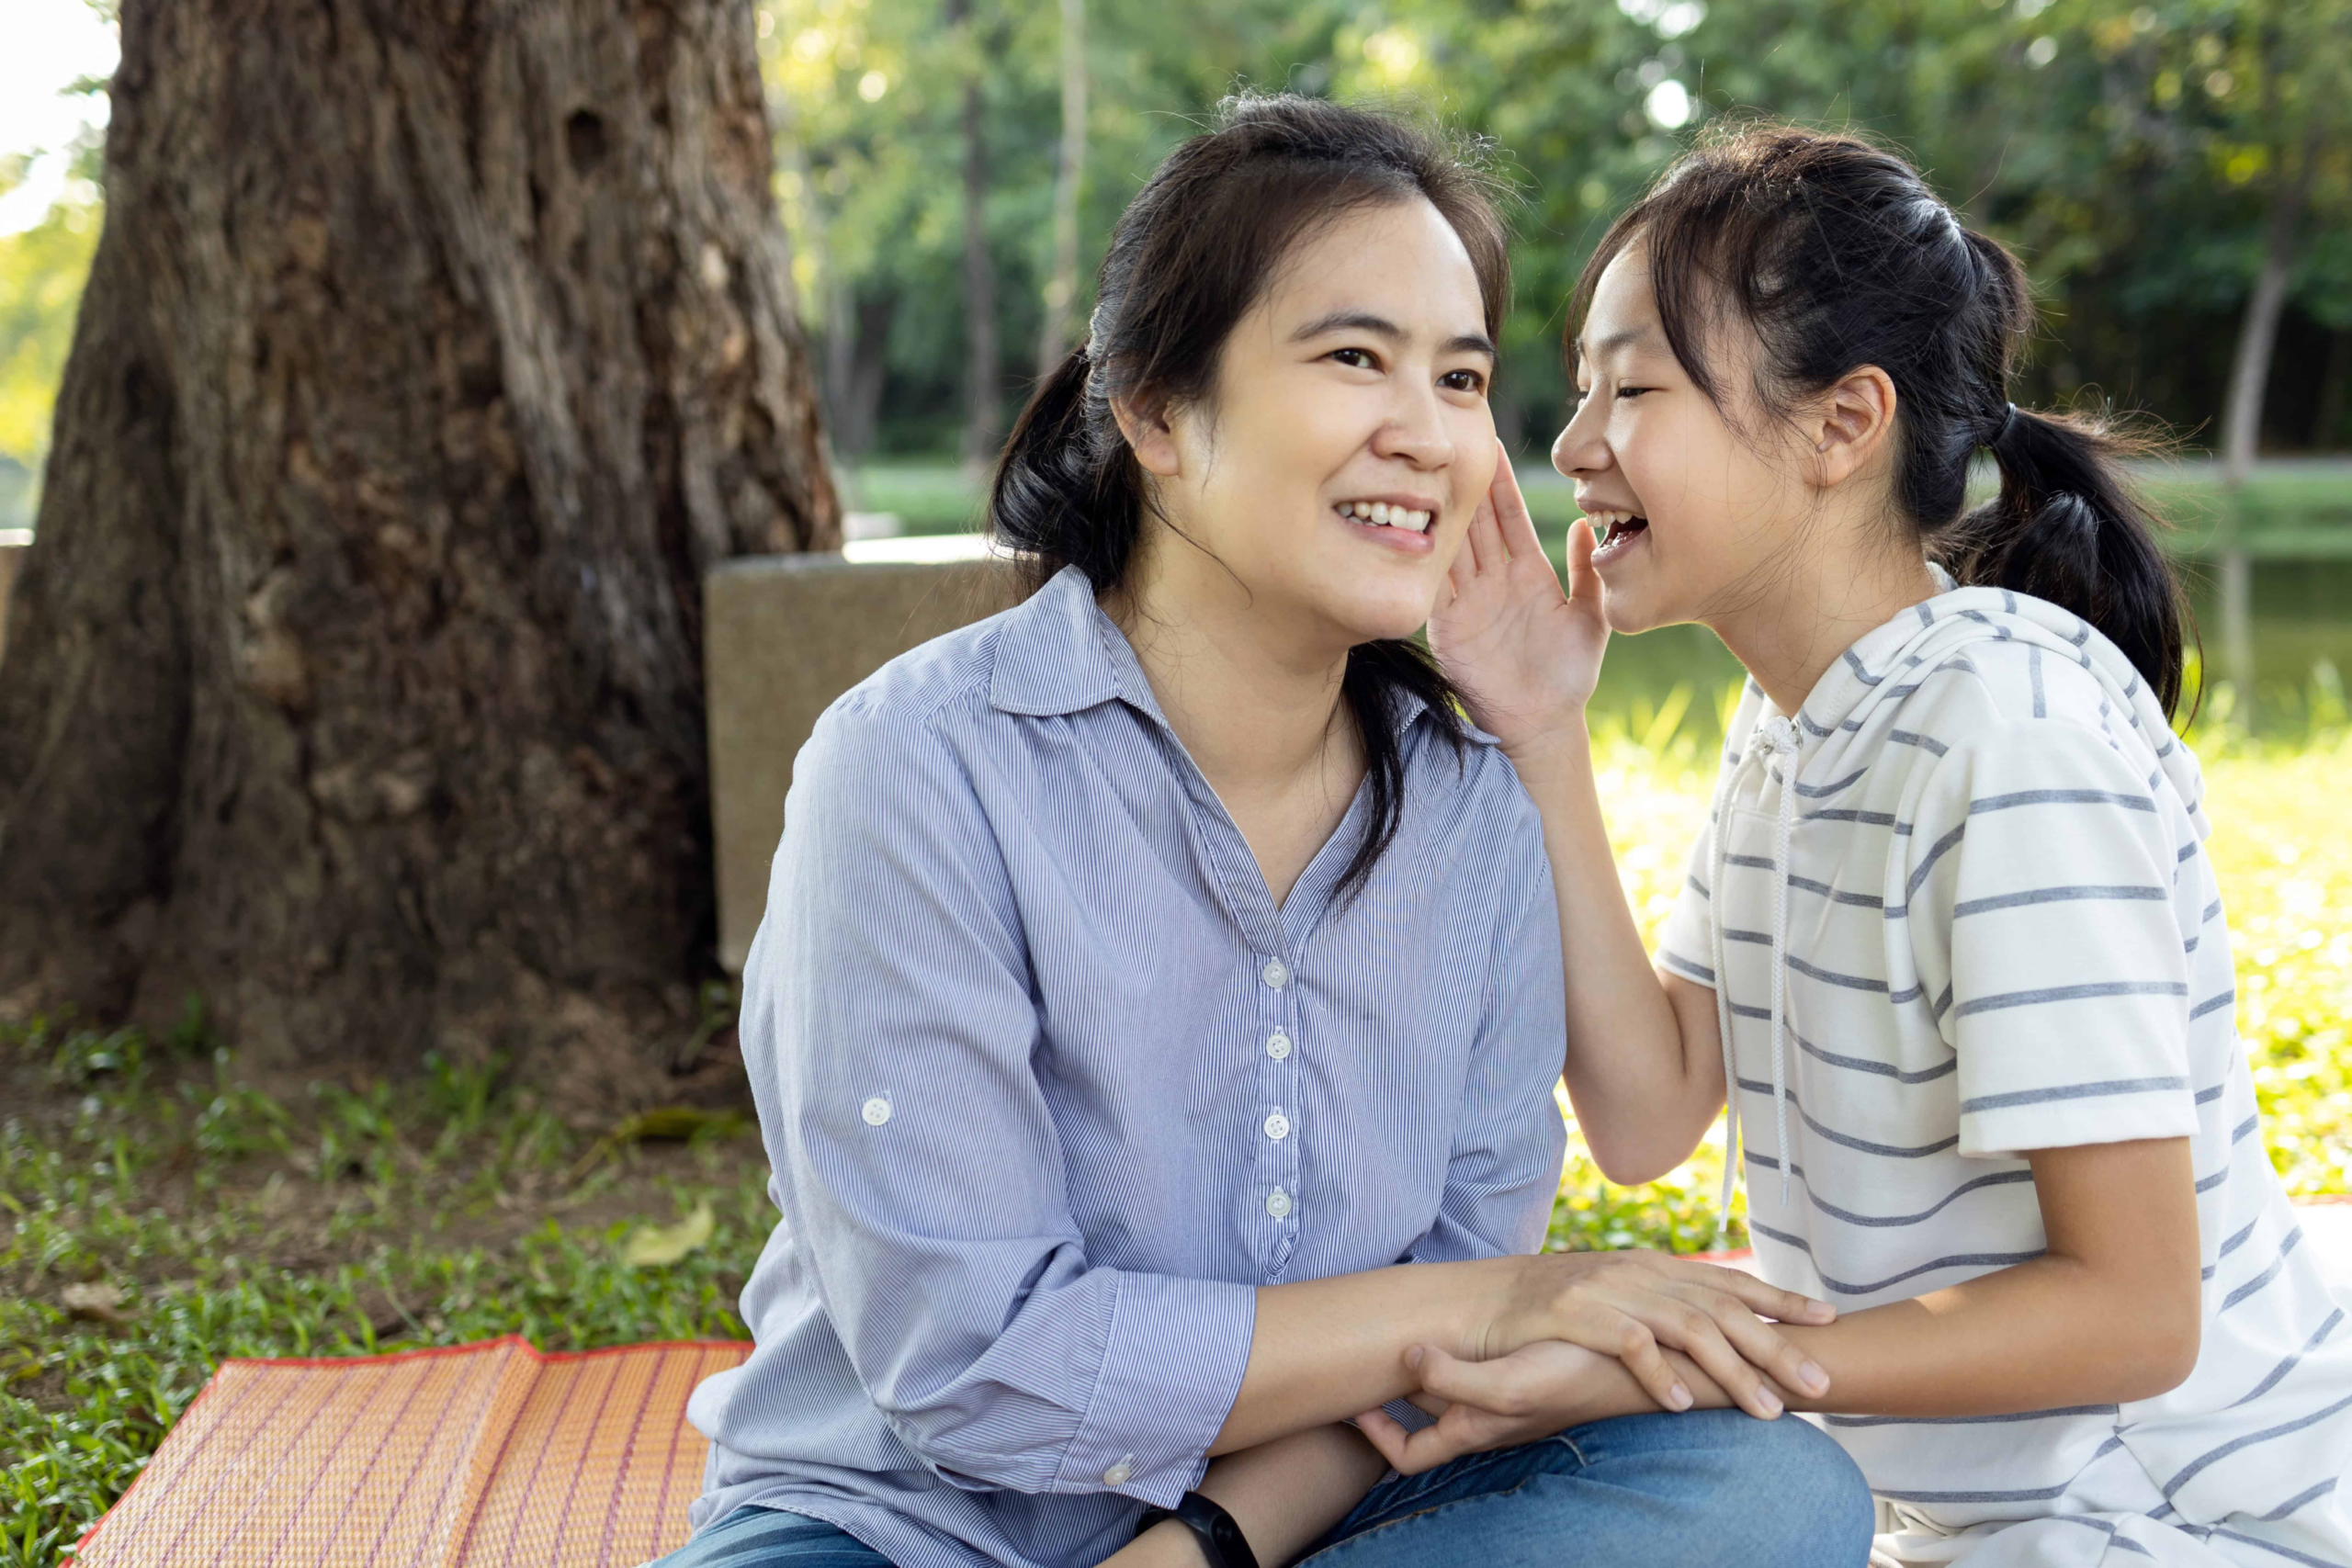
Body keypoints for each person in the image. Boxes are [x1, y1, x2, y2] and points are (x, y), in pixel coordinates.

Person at [653, 98, 1874, 1568]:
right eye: (1357, 356)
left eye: (1463, 375)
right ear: (1158, 411)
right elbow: (974, 1362)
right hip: (903, 1525)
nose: (1426, 433)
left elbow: (1451, 1333)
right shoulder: (917, 768)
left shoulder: (1474, 806)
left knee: (1768, 1494)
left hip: (1313, 1522)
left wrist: (1205, 1545)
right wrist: (1484, 1308)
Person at [1344, 125, 2352, 1564]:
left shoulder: (2005, 734)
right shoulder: (1803, 719)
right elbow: (1647, 1113)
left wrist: (1669, 1357)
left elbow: (2137, 1307)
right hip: (1982, 1518)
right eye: (1580, 394)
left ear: (1841, 423)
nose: (1573, 450)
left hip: (2184, 1517)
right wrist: (1541, 728)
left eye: (1633, 388)